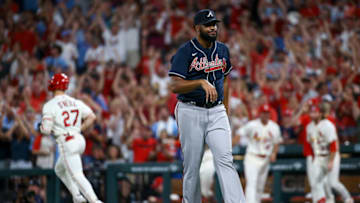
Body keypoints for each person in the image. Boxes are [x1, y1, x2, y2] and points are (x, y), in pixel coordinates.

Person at [168, 9, 245, 203]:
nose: (213, 28)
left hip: (216, 110)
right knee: (193, 166)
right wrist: (200, 82)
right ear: (197, 28)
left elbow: (225, 80)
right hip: (190, 109)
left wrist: (225, 110)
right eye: (208, 25)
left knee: (226, 160)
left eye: (214, 24)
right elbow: (174, 85)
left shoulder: (222, 50)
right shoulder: (185, 51)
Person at [40, 73, 103, 203]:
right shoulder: (75, 101)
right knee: (59, 169)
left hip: (67, 142)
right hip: (79, 140)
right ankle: (77, 196)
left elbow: (45, 131)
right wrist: (79, 128)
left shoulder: (50, 105)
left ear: (52, 86)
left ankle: (94, 200)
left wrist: (43, 127)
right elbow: (92, 117)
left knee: (77, 174)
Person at [236, 104, 282, 203]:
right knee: (252, 184)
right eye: (263, 113)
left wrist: (274, 153)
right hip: (252, 157)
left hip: (265, 158)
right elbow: (240, 132)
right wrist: (232, 144)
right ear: (259, 114)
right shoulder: (252, 125)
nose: (265, 115)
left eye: (267, 113)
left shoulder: (274, 127)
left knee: (260, 186)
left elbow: (276, 142)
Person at [306, 105, 337, 203]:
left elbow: (333, 145)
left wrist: (331, 161)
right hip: (318, 157)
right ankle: (321, 200)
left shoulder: (328, 125)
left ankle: (330, 199)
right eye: (311, 112)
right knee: (316, 182)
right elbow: (310, 144)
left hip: (329, 156)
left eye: (315, 112)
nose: (313, 114)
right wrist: (313, 159)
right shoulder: (309, 127)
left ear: (320, 113)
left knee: (330, 182)